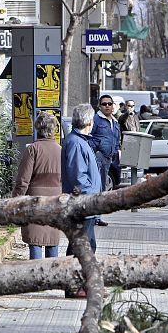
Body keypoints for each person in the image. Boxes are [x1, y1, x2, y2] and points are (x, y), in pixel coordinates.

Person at [62, 103, 102, 298]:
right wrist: (91, 197)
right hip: (82, 204)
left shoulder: (79, 141)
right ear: (89, 121)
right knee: (80, 247)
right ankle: (73, 285)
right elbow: (79, 177)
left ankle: (82, 284)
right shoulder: (76, 143)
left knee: (87, 246)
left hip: (86, 204)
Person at [12, 111, 62, 259]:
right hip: (55, 199)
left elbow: (23, 179)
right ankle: (52, 276)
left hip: (34, 199)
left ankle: (36, 277)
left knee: (35, 240)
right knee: (52, 240)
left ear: (37, 128)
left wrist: (16, 199)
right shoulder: (61, 150)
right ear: (53, 129)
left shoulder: (32, 149)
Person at [88, 94, 120, 226]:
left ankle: (97, 216)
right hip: (98, 157)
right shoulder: (96, 119)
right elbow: (88, 136)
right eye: (104, 104)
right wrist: (94, 151)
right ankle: (93, 216)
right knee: (95, 186)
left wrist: (116, 151)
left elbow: (117, 139)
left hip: (108, 158)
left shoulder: (115, 121)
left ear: (113, 106)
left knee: (102, 187)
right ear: (99, 106)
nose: (107, 106)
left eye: (109, 104)